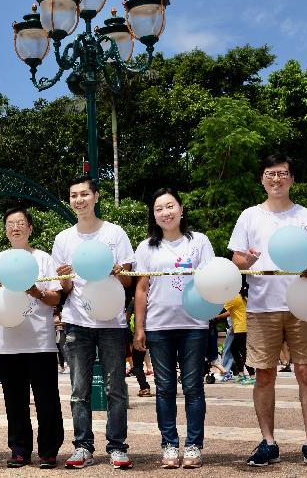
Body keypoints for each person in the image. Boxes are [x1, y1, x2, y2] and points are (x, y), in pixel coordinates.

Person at [229, 154, 307, 468]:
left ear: (292, 179)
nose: (277, 179)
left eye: (283, 173)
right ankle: (268, 442)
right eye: (271, 173)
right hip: (261, 308)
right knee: (263, 376)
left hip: (304, 304)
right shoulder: (249, 216)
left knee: (306, 373)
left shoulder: (306, 217)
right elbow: (236, 262)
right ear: (262, 179)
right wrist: (248, 261)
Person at [51, 176, 135, 469]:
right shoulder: (63, 239)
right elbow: (65, 290)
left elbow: (127, 282)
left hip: (112, 321)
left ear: (96, 197)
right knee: (79, 390)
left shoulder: (115, 234)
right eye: (73, 195)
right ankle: (82, 447)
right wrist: (63, 278)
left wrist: (114, 270)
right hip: (76, 322)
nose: (79, 200)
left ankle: (117, 447)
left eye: (84, 194)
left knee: (116, 388)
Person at [133, 188, 214, 469]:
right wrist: (139, 327)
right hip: (158, 326)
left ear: (181, 209)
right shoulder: (146, 247)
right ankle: (169, 444)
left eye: (170, 206)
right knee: (164, 388)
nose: (165, 213)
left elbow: (212, 281)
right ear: (153, 216)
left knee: (193, 388)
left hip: (194, 325)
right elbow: (141, 288)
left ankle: (193, 445)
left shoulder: (199, 242)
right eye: (159, 209)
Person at [0, 207, 64, 469]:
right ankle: (19, 449)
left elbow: (56, 297)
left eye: (21, 223)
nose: (15, 227)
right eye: (10, 223)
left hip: (40, 341)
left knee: (47, 400)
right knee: (14, 401)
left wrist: (35, 291)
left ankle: (49, 450)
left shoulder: (43, 259)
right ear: (5, 230)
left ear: (30, 228)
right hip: (7, 343)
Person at [216, 291, 255, 384]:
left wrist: (213, 316)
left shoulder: (233, 297)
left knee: (244, 352)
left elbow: (221, 309)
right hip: (243, 327)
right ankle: (241, 374)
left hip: (241, 328)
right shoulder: (242, 296)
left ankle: (252, 376)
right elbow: (231, 312)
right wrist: (219, 317)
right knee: (234, 349)